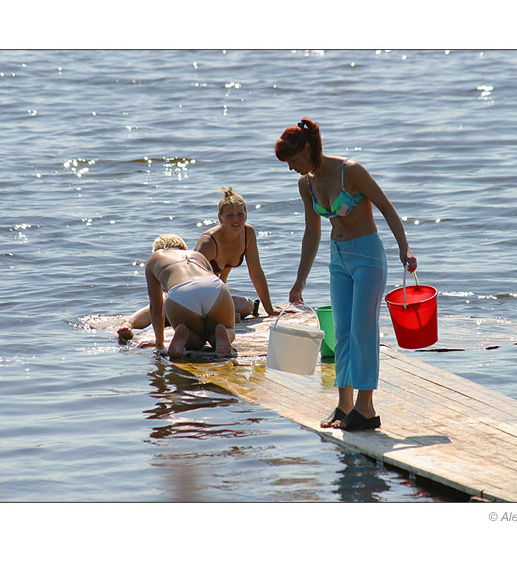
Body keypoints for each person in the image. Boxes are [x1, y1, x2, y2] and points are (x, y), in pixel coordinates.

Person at [275, 118, 417, 431]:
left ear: (309, 149)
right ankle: (344, 404)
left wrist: (404, 248)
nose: (291, 169)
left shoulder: (350, 172)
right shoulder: (306, 184)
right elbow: (311, 233)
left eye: (294, 161)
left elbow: (386, 208)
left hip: (368, 256)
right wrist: (300, 280)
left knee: (363, 331)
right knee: (341, 333)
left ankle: (366, 409)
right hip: (338, 259)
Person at [117, 187, 279, 342]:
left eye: (240, 214)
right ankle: (129, 324)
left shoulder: (248, 233)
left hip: (212, 294)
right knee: (164, 303)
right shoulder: (209, 242)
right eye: (230, 215)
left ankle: (209, 321)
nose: (236, 219)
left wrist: (270, 310)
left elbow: (256, 272)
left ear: (246, 214)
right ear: (219, 217)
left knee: (247, 306)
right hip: (189, 291)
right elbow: (191, 275)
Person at [136, 234, 236, 358]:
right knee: (225, 329)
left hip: (180, 292)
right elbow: (212, 275)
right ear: (182, 247)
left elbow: (156, 307)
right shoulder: (197, 255)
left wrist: (159, 343)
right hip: (213, 286)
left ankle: (186, 333)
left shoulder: (154, 259)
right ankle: (223, 332)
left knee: (195, 343)